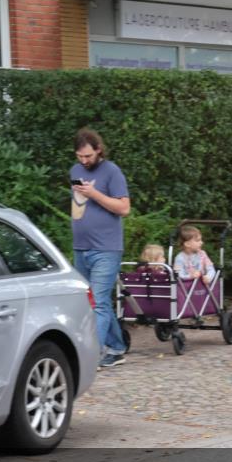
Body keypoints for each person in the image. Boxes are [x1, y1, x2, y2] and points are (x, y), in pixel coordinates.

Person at [70, 128, 131, 369]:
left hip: (106, 248)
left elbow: (124, 208)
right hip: (81, 247)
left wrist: (94, 193)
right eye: (79, 156)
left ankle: (90, 356)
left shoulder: (112, 171)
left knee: (98, 302)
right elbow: (77, 204)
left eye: (88, 156)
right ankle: (116, 348)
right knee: (91, 301)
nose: (84, 161)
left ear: (98, 150)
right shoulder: (74, 171)